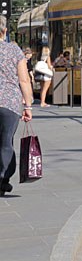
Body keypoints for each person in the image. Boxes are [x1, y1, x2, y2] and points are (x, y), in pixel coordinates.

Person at [0, 16, 34, 196]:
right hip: (9, 104)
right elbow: (24, 79)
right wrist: (28, 106)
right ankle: (3, 179)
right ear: (4, 31)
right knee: (6, 141)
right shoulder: (14, 50)